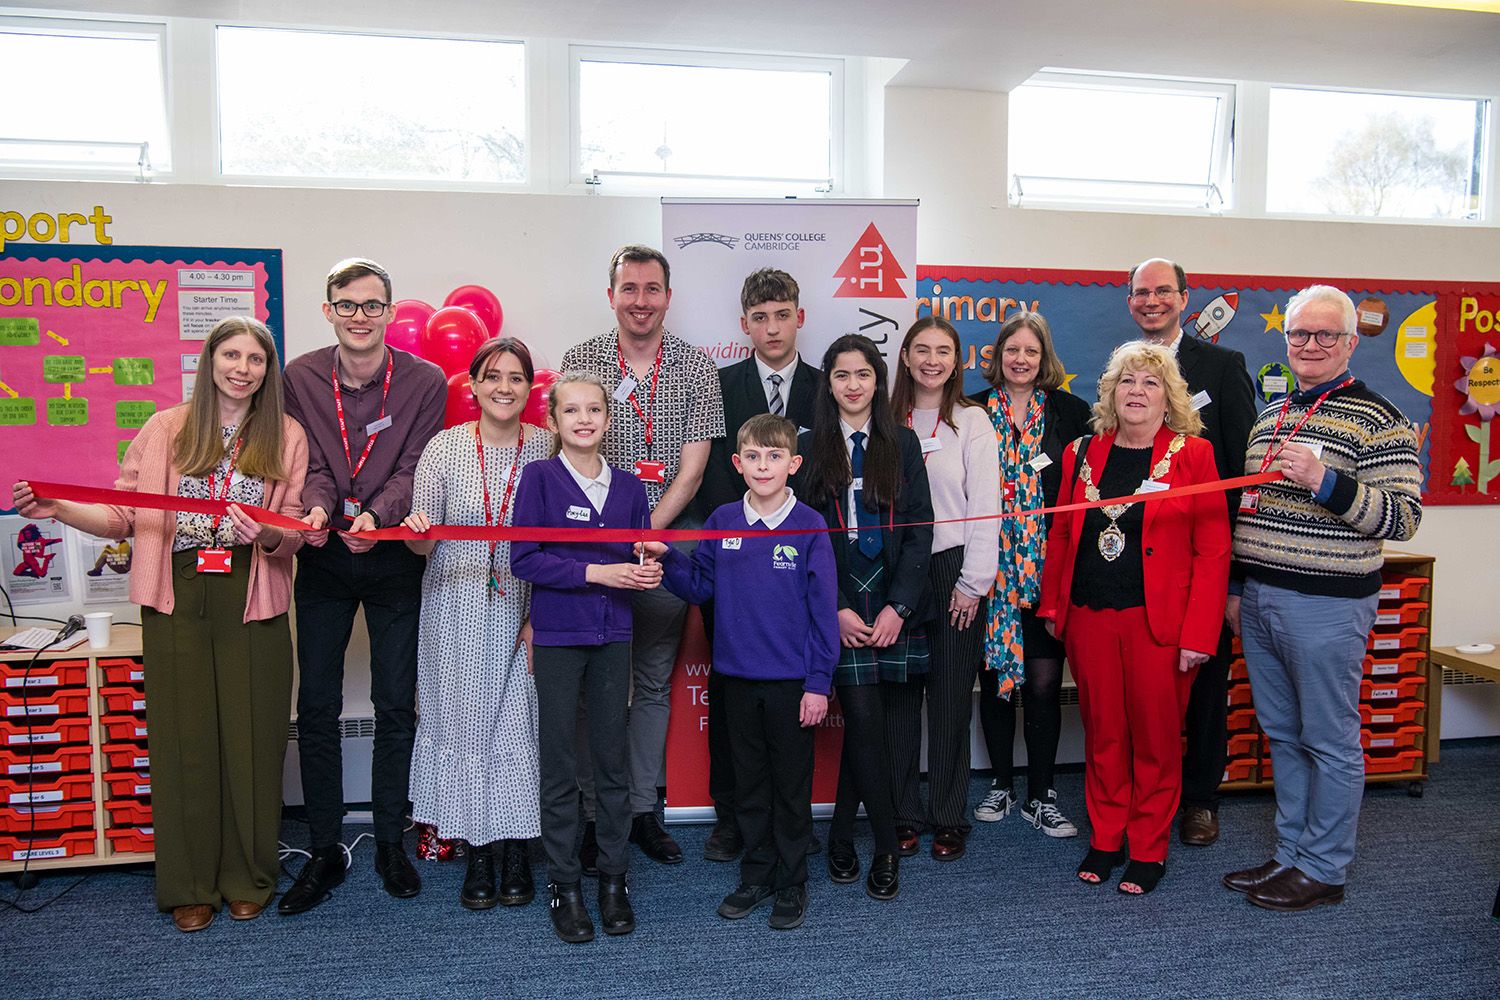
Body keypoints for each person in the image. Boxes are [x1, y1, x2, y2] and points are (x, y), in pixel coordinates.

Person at [13, 316, 307, 932]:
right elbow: (123, 514)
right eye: (231, 354)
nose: (242, 368)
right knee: (184, 742)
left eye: (255, 359)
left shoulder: (285, 434)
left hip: (252, 596)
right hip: (176, 594)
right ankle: (190, 884)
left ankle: (248, 875)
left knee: (254, 742)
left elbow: (297, 530)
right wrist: (60, 507)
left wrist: (273, 534)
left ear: (266, 371)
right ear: (210, 359)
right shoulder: (166, 428)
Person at [1222, 285, 1421, 912]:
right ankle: (1291, 854)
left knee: (1329, 739)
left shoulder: (1378, 418)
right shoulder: (1273, 415)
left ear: (1350, 342)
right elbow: (1249, 510)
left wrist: (1326, 481)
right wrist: (1234, 587)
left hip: (1327, 604)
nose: (1310, 345)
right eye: (1300, 335)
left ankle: (1325, 868)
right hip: (1259, 597)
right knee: (1282, 732)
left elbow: (1403, 519)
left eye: (1324, 335)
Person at [278, 257, 447, 915]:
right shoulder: (299, 376)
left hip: (392, 557)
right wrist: (320, 506)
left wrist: (375, 515)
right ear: (328, 311)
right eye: (346, 305)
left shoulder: (424, 381)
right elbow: (311, 460)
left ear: (390, 312)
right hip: (321, 555)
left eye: (371, 305)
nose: (358, 316)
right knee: (316, 704)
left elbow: (416, 463)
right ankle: (323, 848)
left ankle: (387, 841)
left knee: (395, 702)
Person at [1037, 341, 1230, 895]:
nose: (1137, 392)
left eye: (1150, 382)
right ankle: (1107, 835)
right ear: (1110, 393)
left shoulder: (1193, 455)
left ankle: (1148, 845)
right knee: (1103, 735)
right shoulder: (1081, 453)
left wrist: (1199, 634)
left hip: (1161, 626)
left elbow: (1213, 551)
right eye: (1127, 381)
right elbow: (1064, 534)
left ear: (1169, 397)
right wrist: (1054, 608)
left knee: (1155, 739)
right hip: (1090, 618)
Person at [560, 244, 725, 867]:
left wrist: (643, 533)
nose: (640, 300)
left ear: (667, 297)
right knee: (589, 685)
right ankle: (589, 810)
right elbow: (570, 456)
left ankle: (641, 810)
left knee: (652, 683)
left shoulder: (695, 367)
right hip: (594, 547)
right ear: (611, 296)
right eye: (629, 289)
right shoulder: (581, 360)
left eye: (651, 289)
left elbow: (692, 469)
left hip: (660, 545)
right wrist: (611, 539)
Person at [647, 413, 838, 930]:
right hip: (734, 679)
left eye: (774, 456)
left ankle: (792, 882)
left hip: (791, 685)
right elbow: (700, 588)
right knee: (749, 786)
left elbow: (824, 615)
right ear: (737, 463)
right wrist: (666, 559)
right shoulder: (723, 520)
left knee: (790, 788)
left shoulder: (810, 526)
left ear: (793, 465)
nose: (763, 465)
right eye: (752, 456)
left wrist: (818, 683)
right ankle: (757, 875)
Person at [401, 338, 553, 910]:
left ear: (529, 387)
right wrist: (416, 531)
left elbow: (555, 536)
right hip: (455, 608)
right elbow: (420, 547)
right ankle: (480, 855)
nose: (504, 388)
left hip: (527, 607)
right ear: (473, 384)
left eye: (516, 378)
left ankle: (516, 854)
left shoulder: (547, 446)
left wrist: (542, 619)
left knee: (517, 728)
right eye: (493, 377)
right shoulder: (442, 449)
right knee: (465, 732)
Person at [510, 372, 660, 943]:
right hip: (555, 637)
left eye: (593, 409)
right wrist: (596, 571)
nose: (583, 419)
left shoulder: (628, 489)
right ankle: (565, 885)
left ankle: (613, 880)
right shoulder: (538, 478)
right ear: (552, 421)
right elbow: (524, 558)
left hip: (614, 635)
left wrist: (646, 569)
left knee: (612, 762)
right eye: (570, 411)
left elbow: (639, 551)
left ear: (606, 417)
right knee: (559, 765)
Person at [793, 334, 933, 901]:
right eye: (841, 375)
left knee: (866, 729)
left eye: (863, 374)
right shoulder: (810, 446)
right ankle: (882, 845)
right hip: (841, 597)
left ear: (879, 381)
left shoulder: (901, 442)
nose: (853, 384)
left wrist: (901, 606)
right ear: (828, 384)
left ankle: (842, 839)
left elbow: (922, 531)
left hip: (891, 600)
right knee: (867, 722)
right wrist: (836, 609)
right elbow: (806, 537)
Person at [1125, 257, 1256, 848]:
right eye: (1140, 293)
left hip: (1203, 563)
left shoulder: (1222, 367)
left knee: (1204, 684)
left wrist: (1233, 580)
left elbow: (1242, 476)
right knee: (1144, 694)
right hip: (1136, 567)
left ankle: (1200, 800)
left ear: (1184, 298)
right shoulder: (1127, 367)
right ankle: (1143, 794)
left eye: (1161, 291)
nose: (1151, 301)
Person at [695, 267, 823, 862]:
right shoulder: (717, 387)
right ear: (744, 325)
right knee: (732, 710)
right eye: (760, 317)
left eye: (782, 314)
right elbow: (710, 477)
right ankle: (733, 820)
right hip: (733, 557)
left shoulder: (829, 388)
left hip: (800, 557)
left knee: (788, 713)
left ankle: (791, 828)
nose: (772, 327)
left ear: (799, 316)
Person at [969, 311, 1092, 838]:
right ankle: (1001, 783)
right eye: (1012, 350)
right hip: (985, 570)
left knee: (1043, 685)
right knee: (995, 682)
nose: (1021, 359)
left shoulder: (1071, 411)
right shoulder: (970, 410)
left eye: (1032, 351)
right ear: (996, 356)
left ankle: (1041, 793)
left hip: (1046, 570)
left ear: (1045, 360)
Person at [885, 316, 996, 861]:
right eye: (921, 350)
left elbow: (986, 507)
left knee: (951, 699)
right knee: (900, 701)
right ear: (904, 356)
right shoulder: (886, 418)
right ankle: (904, 813)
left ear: (957, 362)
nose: (932, 360)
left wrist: (973, 584)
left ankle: (949, 815)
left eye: (943, 352)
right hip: (900, 571)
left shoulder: (972, 421)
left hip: (956, 570)